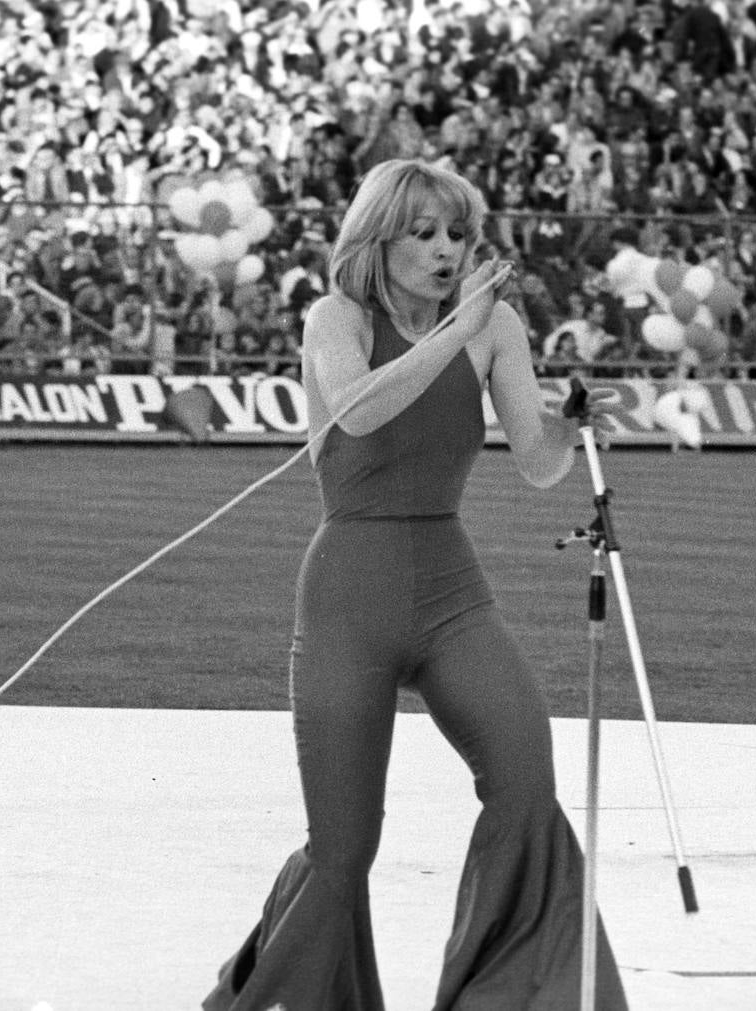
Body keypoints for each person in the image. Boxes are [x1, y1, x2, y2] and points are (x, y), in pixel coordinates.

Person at [204, 160, 626, 1010]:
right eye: (424, 233)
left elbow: (540, 466)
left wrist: (569, 423)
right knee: (345, 846)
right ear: (377, 240)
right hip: (347, 592)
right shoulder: (337, 316)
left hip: (449, 588)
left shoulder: (493, 324)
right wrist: (454, 328)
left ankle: (513, 998)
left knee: (525, 783)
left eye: (459, 234)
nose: (446, 250)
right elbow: (356, 408)